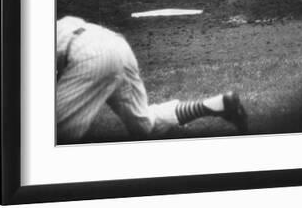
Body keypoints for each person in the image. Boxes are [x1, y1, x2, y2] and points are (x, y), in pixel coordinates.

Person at [56, 16, 248, 142]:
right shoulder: (61, 23)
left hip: (89, 55)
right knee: (144, 127)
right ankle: (215, 104)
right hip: (116, 44)